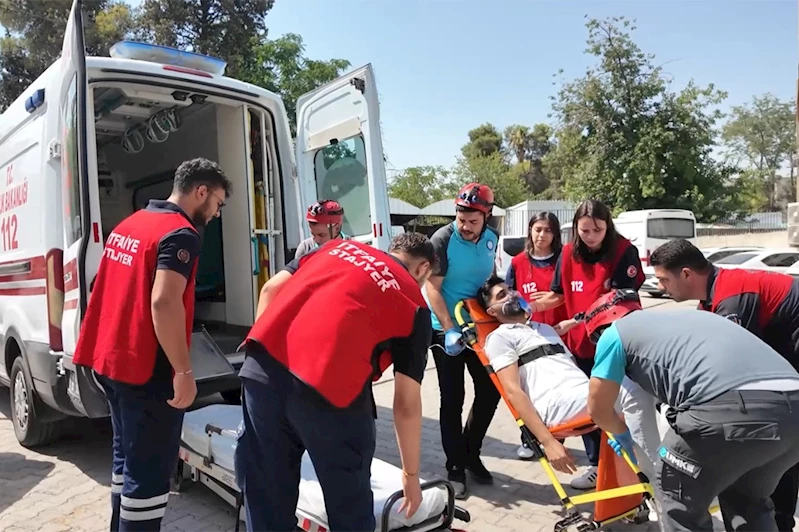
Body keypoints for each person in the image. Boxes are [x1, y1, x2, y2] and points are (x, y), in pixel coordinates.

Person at [234, 233, 436, 532]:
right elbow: (406, 404)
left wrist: (265, 354)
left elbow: (269, 289)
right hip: (331, 395)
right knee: (349, 510)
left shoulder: (335, 248)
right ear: (423, 269)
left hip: (262, 373)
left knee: (266, 501)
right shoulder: (413, 302)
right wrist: (410, 474)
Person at [72, 158, 231, 531]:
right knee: (148, 479)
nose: (218, 213)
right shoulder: (181, 234)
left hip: (109, 361)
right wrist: (184, 371)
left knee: (125, 463)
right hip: (146, 371)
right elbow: (163, 302)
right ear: (201, 192)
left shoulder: (131, 224)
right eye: (218, 203)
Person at [584, 288, 799, 532]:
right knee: (746, 501)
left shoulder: (614, 335)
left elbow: (598, 409)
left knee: (675, 495)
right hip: (794, 411)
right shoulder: (692, 320)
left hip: (727, 409)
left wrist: (623, 436)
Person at [650, 238, 799, 531]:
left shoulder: (732, 299)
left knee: (782, 432)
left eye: (664, 279)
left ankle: (779, 520)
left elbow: (729, 369)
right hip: (785, 352)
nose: (660, 288)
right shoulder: (714, 297)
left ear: (687, 274)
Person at [476, 277, 661, 478]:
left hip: (582, 394)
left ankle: (648, 464)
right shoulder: (500, 338)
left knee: (648, 381)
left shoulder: (544, 330)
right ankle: (655, 475)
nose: (511, 295)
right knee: (630, 388)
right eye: (502, 295)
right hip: (556, 405)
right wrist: (547, 442)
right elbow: (513, 391)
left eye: (510, 289)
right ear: (492, 311)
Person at [532, 199, 644, 490]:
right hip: (580, 345)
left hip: (616, 344)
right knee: (591, 408)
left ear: (608, 226)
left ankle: (636, 466)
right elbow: (557, 294)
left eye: (598, 229)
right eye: (585, 230)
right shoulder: (568, 253)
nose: (591, 236)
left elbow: (620, 300)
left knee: (625, 406)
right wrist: (525, 308)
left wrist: (577, 319)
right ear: (575, 229)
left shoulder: (623, 251)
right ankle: (597, 466)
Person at [424, 182, 501, 498]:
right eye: (460, 218)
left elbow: (488, 278)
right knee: (452, 398)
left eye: (472, 221)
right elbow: (431, 288)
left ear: (487, 217)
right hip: (446, 329)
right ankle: (454, 466)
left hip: (478, 325)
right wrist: (449, 327)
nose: (465, 226)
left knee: (490, 391)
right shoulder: (442, 239)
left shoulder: (491, 239)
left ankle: (471, 452)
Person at [505, 211, 570, 460]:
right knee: (528, 388)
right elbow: (509, 297)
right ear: (530, 230)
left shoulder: (564, 260)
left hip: (558, 334)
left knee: (558, 388)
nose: (542, 235)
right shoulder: (518, 262)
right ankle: (529, 439)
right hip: (528, 336)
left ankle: (558, 437)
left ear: (555, 234)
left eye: (547, 230)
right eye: (537, 229)